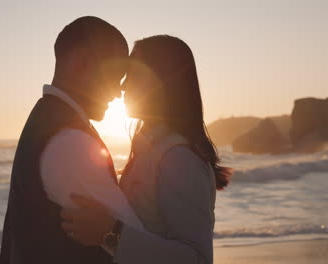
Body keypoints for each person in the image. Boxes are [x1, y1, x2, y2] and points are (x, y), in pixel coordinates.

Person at [61, 35, 232, 264]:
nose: (122, 85)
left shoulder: (178, 158)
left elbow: (196, 258)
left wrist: (112, 231)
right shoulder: (149, 150)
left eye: (133, 72)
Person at [0, 16, 143, 264]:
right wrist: (114, 232)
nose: (119, 91)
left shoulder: (46, 122)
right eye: (115, 75)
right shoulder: (73, 144)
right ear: (81, 63)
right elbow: (142, 253)